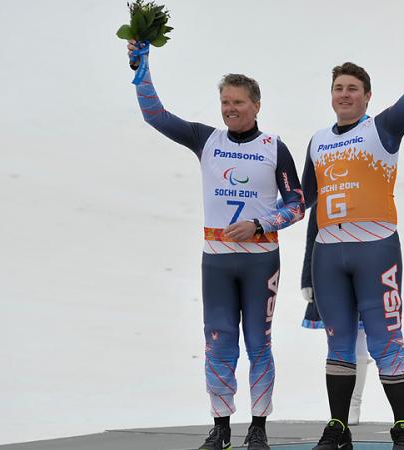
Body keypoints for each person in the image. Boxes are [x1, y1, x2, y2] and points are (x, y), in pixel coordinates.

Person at [125, 40, 305, 450]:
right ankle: (221, 426)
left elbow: (297, 205)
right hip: (218, 261)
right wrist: (141, 68)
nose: (230, 109)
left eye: (238, 102)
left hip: (261, 261)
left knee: (259, 343)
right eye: (225, 102)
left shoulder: (274, 147)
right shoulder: (205, 139)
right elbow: (155, 115)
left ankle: (258, 427)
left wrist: (261, 224)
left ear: (256, 105)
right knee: (218, 341)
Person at [300, 21, 404, 450]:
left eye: (352, 88)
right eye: (338, 88)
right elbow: (303, 200)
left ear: (366, 96)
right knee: (339, 341)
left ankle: (403, 427)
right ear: (331, 95)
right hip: (328, 253)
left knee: (386, 338)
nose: (344, 94)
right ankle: (338, 428)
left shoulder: (381, 129)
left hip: (376, 247)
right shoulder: (317, 140)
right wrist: (258, 224)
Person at [301, 231, 370, 426]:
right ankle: (343, 407)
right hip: (329, 267)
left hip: (365, 263)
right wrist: (307, 278)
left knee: (360, 336)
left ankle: (354, 404)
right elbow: (313, 235)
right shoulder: (323, 199)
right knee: (337, 337)